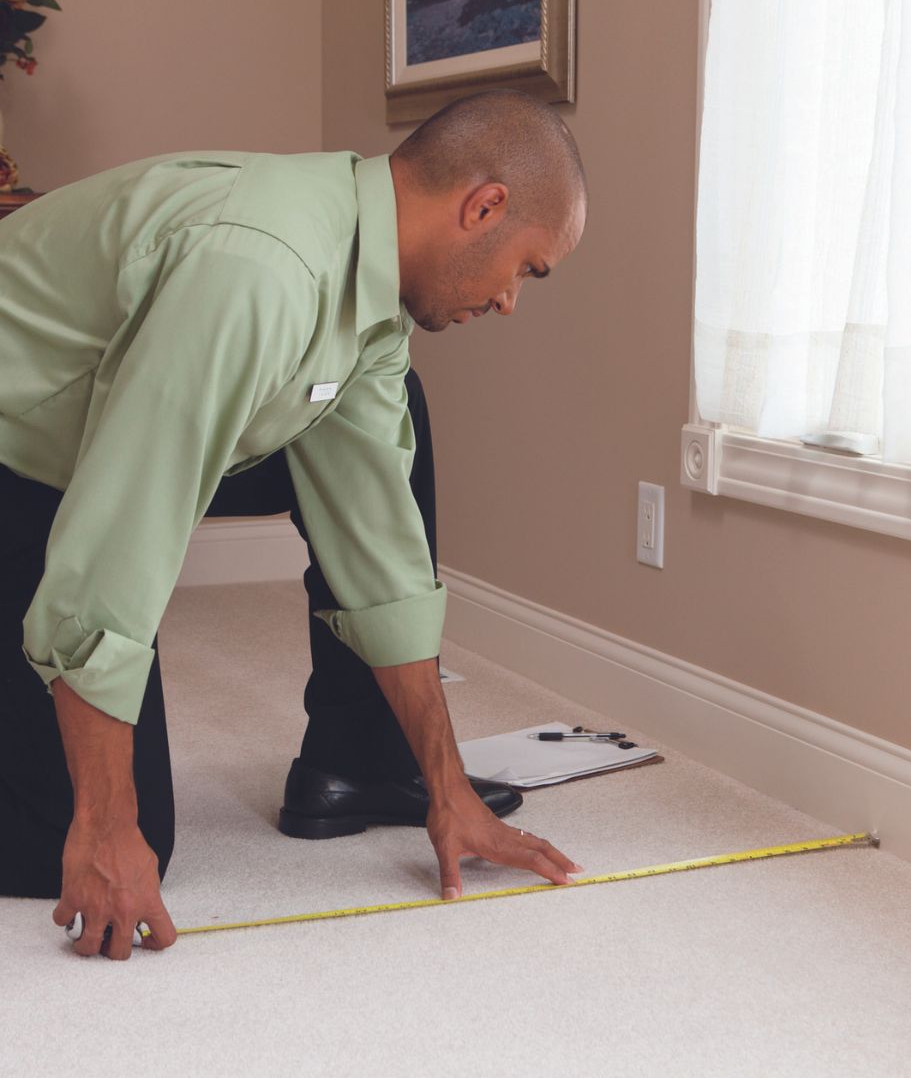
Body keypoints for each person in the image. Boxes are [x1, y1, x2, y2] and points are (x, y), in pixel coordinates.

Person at [0, 89, 588, 960]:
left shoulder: (371, 291)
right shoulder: (261, 272)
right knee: (80, 836)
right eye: (527, 270)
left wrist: (446, 784)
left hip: (81, 439)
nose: (510, 300)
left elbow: (377, 535)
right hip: (18, 449)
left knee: (397, 421)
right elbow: (123, 528)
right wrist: (104, 823)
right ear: (484, 207)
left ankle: (364, 758)